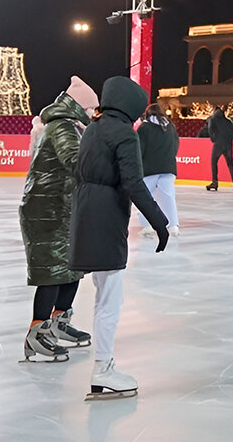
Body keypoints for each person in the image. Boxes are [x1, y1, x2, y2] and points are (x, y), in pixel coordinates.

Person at [69, 76, 169, 401]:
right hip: (107, 218)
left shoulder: (93, 129)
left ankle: (104, 365)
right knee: (110, 298)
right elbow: (134, 183)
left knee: (103, 293)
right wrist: (159, 221)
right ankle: (103, 369)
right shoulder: (125, 135)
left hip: (84, 213)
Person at [19, 77, 99, 362]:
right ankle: (37, 333)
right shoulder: (62, 126)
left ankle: (59, 321)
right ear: (79, 106)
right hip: (46, 209)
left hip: (63, 206)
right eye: (91, 109)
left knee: (73, 267)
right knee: (52, 271)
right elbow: (76, 161)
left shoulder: (72, 125)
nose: (93, 115)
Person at [137, 105, 181, 238]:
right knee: (168, 197)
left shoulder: (144, 128)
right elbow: (175, 146)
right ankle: (173, 225)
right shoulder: (170, 127)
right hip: (168, 168)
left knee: (145, 198)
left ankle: (148, 225)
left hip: (149, 169)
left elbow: (139, 148)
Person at [199, 106, 233, 191]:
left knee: (214, 162)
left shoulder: (213, 119)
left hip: (218, 143)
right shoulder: (228, 121)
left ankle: (215, 182)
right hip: (228, 144)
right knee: (230, 163)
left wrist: (213, 139)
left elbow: (210, 129)